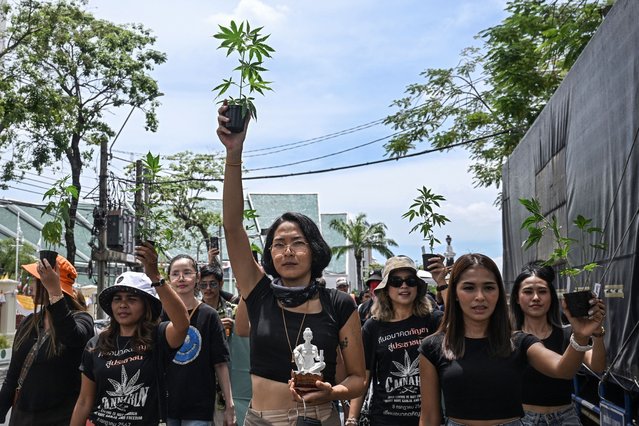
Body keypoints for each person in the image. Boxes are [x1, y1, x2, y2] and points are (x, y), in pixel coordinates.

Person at [217, 103, 366, 426]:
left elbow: (357, 378)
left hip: (319, 419)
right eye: (279, 245)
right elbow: (232, 225)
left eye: (297, 243)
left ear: (314, 249)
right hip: (261, 419)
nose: (287, 251)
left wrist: (333, 392)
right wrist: (234, 153)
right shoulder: (258, 293)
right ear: (269, 255)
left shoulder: (339, 304)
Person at [418, 253, 606, 426]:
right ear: (455, 294)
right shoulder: (433, 346)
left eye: (489, 287)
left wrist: (582, 336)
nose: (480, 297)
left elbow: (563, 370)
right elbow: (429, 417)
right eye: (468, 287)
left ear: (499, 293)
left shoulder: (519, 342)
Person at [70, 243, 189, 426]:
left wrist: (155, 276)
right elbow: (85, 400)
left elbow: (182, 324)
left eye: (132, 299)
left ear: (146, 306)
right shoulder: (96, 344)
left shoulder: (159, 337)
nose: (123, 305)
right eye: (117, 299)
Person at [348, 256, 445, 426]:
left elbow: (460, 324)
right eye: (396, 281)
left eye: (410, 280)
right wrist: (351, 419)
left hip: (428, 419)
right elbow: (365, 374)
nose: (404, 285)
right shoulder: (373, 326)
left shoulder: (432, 320)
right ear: (386, 288)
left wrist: (442, 283)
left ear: (418, 286)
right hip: (384, 419)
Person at [0, 256, 94, 425]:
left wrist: (55, 293)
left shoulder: (82, 320)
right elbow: (12, 377)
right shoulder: (29, 323)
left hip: (61, 419)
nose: (30, 287)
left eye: (37, 280)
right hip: (22, 418)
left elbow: (72, 336)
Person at [510, 261, 606, 426]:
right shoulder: (511, 338)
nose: (535, 298)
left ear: (552, 297)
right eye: (527, 292)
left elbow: (597, 366)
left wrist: (597, 333)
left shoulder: (568, 334)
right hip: (523, 418)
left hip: (565, 417)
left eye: (542, 291)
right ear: (517, 298)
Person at [163, 254, 235, 426]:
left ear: (197, 277)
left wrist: (229, 403)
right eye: (175, 273)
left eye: (187, 272)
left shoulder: (209, 315)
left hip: (199, 405)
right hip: (166, 404)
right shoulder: (162, 313)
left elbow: (220, 362)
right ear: (169, 279)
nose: (181, 278)